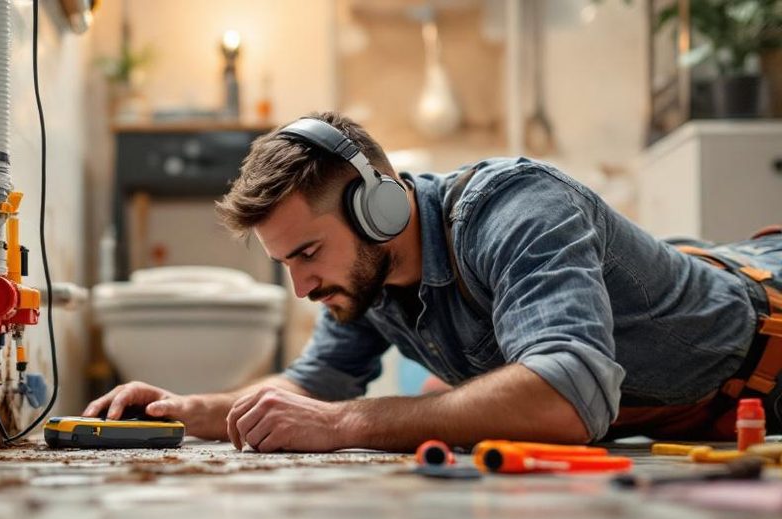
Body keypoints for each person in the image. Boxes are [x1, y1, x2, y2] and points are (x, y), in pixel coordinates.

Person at [84, 111, 782, 452]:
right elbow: (310, 386)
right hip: (703, 387)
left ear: (379, 208)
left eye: (308, 253)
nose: (301, 287)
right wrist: (182, 408)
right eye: (286, 263)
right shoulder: (364, 280)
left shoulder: (516, 208)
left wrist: (346, 423)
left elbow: (568, 398)